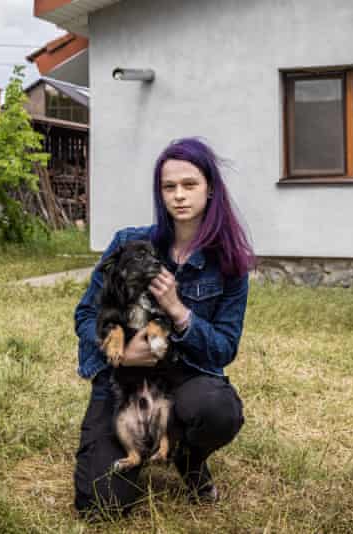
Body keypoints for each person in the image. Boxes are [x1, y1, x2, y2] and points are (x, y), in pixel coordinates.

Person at [72, 137, 255, 518]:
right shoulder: (128, 243)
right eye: (169, 187)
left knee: (217, 410)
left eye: (190, 185)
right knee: (101, 506)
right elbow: (85, 315)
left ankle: (187, 457)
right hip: (123, 384)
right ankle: (138, 450)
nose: (179, 196)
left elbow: (224, 348)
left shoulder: (229, 264)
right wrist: (116, 348)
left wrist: (177, 309)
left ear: (210, 189)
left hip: (184, 379)